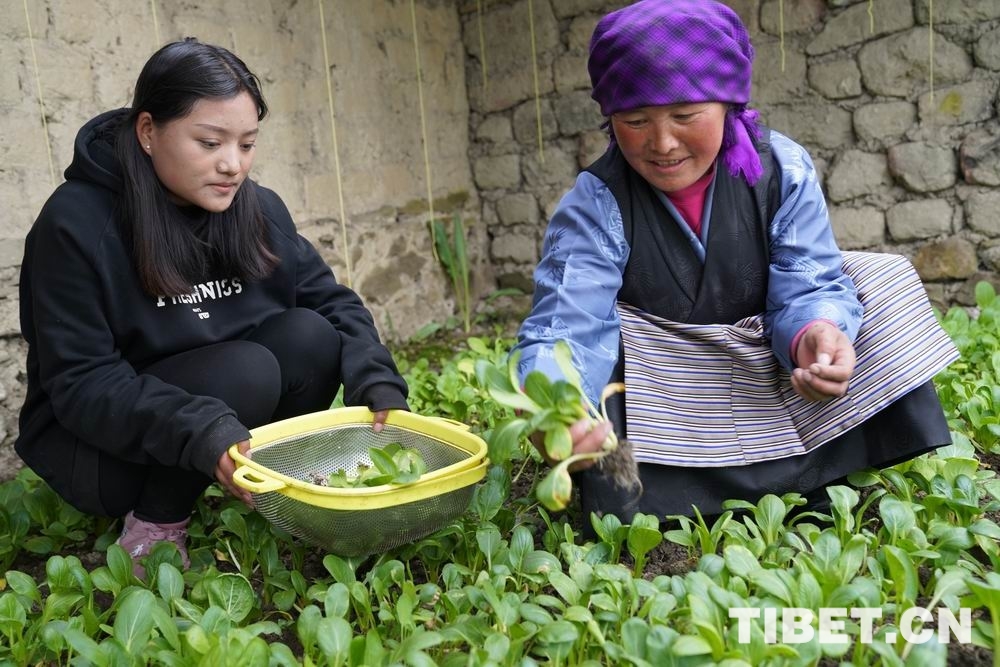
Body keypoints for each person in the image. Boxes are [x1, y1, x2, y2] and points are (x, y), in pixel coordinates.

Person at [512, 0, 957, 524]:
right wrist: (555, 405)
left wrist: (815, 333)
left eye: (685, 116)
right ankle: (668, 491)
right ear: (611, 119)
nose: (663, 143)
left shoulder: (782, 168)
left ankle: (833, 458)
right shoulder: (597, 200)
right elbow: (568, 322)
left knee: (881, 280)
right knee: (600, 361)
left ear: (729, 101)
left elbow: (808, 278)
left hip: (764, 367)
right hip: (669, 385)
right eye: (635, 120)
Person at [16, 38, 409, 574]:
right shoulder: (77, 223)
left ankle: (265, 484)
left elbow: (331, 302)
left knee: (310, 335)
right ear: (148, 131)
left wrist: (376, 378)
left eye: (247, 145)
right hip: (103, 450)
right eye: (209, 142)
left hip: (212, 418)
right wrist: (200, 428)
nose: (232, 165)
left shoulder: (257, 208)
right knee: (245, 370)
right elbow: (82, 383)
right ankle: (155, 524)